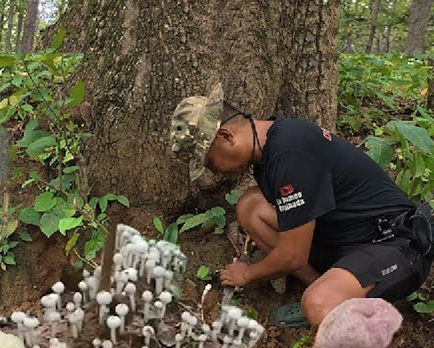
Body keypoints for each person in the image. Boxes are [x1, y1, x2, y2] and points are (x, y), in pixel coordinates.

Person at [170, 84, 433, 327]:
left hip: (394, 246)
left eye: (209, 161)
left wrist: (247, 273)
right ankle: (328, 291)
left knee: (318, 304)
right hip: (345, 240)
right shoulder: (270, 149)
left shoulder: (290, 153)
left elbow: (293, 256)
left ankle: (346, 313)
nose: (213, 171)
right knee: (251, 206)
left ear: (226, 137)